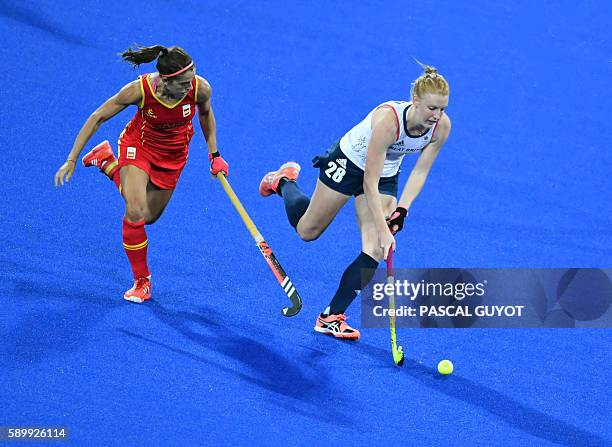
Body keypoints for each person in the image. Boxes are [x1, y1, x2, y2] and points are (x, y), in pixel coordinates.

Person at [259, 65, 451, 339]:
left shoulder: (441, 128)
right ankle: (283, 182)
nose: (437, 115)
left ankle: (330, 316)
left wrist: (402, 210)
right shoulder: (389, 121)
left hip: (386, 172)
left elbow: (420, 170)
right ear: (415, 100)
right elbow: (367, 184)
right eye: (432, 108)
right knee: (307, 231)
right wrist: (385, 231)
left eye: (442, 109)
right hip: (349, 163)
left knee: (374, 249)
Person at [54, 45, 228, 303]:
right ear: (165, 81)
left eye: (191, 80)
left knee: (148, 217)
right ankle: (142, 281)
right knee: (134, 212)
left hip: (174, 156)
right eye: (182, 83)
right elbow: (98, 117)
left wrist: (214, 155)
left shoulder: (200, 88)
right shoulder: (139, 91)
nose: (188, 87)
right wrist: (71, 159)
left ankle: (107, 162)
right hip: (139, 148)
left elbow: (206, 115)